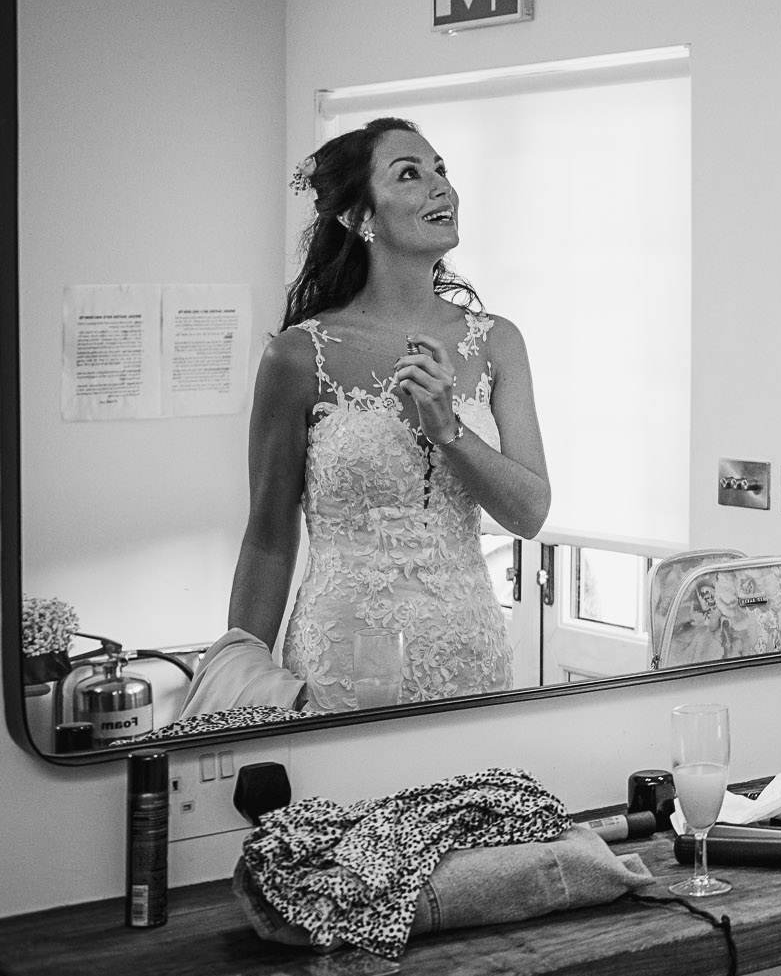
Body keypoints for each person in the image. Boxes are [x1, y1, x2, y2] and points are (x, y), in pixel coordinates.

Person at [227, 117, 551, 712]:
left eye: (442, 171)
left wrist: (448, 430)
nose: (441, 188)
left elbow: (529, 513)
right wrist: (239, 685)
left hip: (469, 657)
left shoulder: (497, 342)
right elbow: (270, 537)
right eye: (410, 174)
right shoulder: (299, 354)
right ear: (360, 216)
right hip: (341, 661)